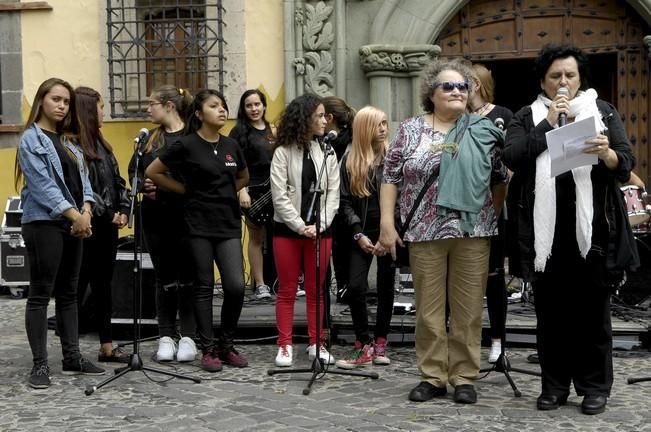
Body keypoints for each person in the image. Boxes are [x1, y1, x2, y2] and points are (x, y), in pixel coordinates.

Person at [504, 43, 638, 415]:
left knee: (594, 315)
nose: (563, 82)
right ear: (544, 81)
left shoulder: (603, 112)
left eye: (569, 75)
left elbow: (625, 161)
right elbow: (511, 156)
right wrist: (548, 123)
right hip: (544, 235)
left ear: (580, 78)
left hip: (593, 231)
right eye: (555, 76)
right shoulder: (526, 116)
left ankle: (595, 387)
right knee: (551, 316)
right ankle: (555, 386)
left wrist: (607, 154)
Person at [379, 59, 508, 404]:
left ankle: (464, 376)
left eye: (463, 87)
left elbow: (499, 180)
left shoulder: (482, 130)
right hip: (424, 232)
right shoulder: (410, 130)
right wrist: (387, 224)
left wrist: (486, 216)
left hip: (472, 232)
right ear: (431, 94)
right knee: (429, 310)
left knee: (468, 310)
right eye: (448, 86)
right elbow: (390, 177)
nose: (457, 91)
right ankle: (433, 375)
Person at [146, 89, 250, 372]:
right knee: (203, 286)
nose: (221, 110)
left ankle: (226, 344)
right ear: (199, 113)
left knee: (235, 286)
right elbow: (154, 172)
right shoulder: (186, 144)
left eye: (223, 106)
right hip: (197, 225)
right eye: (214, 106)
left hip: (227, 223)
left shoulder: (231, 145)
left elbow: (243, 175)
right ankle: (208, 348)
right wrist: (185, 191)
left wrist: (227, 192)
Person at [15, 78, 105, 389]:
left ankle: (72, 356)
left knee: (69, 293)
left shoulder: (70, 142)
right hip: (44, 223)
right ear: (41, 100)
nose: (62, 105)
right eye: (56, 99)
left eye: (66, 101)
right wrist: (74, 215)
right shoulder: (31, 140)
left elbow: (86, 184)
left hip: (74, 222)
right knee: (41, 293)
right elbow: (42, 187)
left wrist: (87, 211)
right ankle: (40, 365)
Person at [128, 85, 197, 363]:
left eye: (152, 103)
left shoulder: (192, 136)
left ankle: (189, 336)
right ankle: (165, 335)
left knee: (188, 277)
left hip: (187, 216)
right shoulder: (149, 140)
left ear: (169, 105)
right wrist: (144, 186)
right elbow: (134, 172)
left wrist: (167, 186)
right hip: (156, 218)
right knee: (163, 277)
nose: (148, 108)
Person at [270, 94, 340, 367]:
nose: (325, 120)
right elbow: (279, 196)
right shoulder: (282, 152)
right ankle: (284, 345)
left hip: (320, 232)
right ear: (306, 117)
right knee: (287, 289)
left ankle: (316, 343)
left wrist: (321, 223)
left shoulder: (328, 152)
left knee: (316, 290)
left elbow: (334, 192)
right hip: (287, 231)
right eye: (320, 115)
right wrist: (300, 226)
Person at [335, 106, 394, 369]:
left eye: (385, 123)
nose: (383, 129)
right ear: (364, 128)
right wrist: (357, 232)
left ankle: (381, 340)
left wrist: (388, 233)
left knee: (385, 288)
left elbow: (402, 199)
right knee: (356, 287)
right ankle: (363, 342)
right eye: (377, 124)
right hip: (360, 234)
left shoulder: (393, 157)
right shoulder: (350, 160)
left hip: (389, 232)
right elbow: (344, 202)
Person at [74, 86, 130, 363]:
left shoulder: (103, 145)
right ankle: (70, 349)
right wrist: (107, 212)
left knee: (103, 286)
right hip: (87, 228)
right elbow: (82, 189)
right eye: (100, 106)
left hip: (106, 227)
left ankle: (107, 345)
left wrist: (123, 209)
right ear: (88, 110)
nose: (103, 112)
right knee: (78, 285)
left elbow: (117, 182)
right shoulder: (74, 147)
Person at [468, 63, 513, 363]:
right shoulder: (456, 118)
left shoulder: (502, 116)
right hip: (464, 208)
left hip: (494, 204)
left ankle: (498, 341)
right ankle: (466, 340)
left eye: (467, 82)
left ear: (480, 84)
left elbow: (509, 162)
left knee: (494, 279)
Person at [229, 89, 275, 300]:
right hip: (252, 191)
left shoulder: (273, 130)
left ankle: (279, 281)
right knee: (256, 237)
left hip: (275, 191)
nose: (254, 109)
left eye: (257, 104)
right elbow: (235, 166)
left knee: (277, 237)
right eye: (249, 105)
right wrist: (242, 191)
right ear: (243, 108)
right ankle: (260, 284)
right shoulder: (238, 132)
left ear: (264, 106)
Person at [322, 96, 356, 301]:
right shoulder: (342, 138)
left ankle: (344, 287)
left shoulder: (335, 143)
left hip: (342, 202)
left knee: (340, 248)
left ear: (330, 117)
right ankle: (345, 288)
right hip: (347, 202)